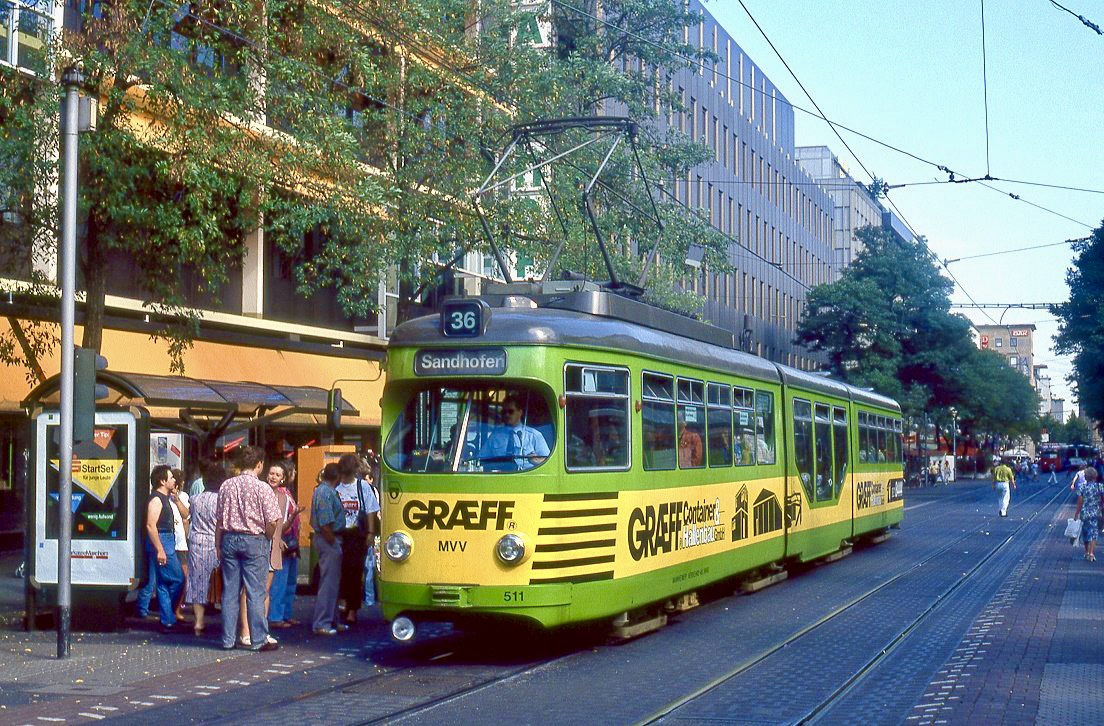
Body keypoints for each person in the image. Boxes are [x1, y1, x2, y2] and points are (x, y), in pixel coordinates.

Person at [216, 446, 281, 652]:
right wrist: (268, 537)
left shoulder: (226, 485)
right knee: (255, 591)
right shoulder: (262, 488)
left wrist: (218, 545)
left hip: (229, 539)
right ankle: (258, 639)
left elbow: (219, 519)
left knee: (230, 591)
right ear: (259, 464)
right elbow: (273, 520)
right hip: (254, 539)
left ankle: (227, 640)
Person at [334, 453, 379, 625]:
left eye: (348, 474)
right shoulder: (336, 487)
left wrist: (370, 532)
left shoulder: (362, 487)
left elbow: (370, 510)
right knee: (340, 571)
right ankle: (343, 604)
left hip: (356, 534)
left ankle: (352, 609)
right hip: (340, 533)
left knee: (355, 572)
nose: (345, 478)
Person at [184, 462, 225, 636]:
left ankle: (199, 622)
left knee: (197, 581)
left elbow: (188, 515)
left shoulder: (195, 499)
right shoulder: (222, 500)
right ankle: (227, 621)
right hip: (216, 543)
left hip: (197, 543)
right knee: (220, 581)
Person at [143, 465, 185, 632]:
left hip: (167, 539)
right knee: (178, 579)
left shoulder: (166, 498)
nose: (174, 480)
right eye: (171, 478)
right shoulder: (156, 499)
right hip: (162, 540)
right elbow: (151, 525)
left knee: (163, 583)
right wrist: (160, 549)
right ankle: (168, 616)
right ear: (162, 481)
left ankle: (167, 620)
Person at [311, 462, 345, 635]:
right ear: (337, 477)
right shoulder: (324, 492)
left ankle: (332, 619)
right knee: (328, 583)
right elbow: (325, 524)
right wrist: (333, 542)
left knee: (333, 583)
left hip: (331, 538)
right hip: (329, 539)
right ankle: (321, 623)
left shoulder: (325, 491)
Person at [269, 461, 304, 629]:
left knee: (290, 581)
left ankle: (285, 613)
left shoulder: (287, 493)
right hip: (282, 541)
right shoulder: (278, 494)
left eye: (277, 475)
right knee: (279, 582)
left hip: (291, 541)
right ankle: (276, 615)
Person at [479, 395, 550, 471]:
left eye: (510, 411)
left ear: (520, 412)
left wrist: (537, 461)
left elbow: (549, 463)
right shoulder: (495, 436)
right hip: (500, 478)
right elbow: (481, 460)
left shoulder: (534, 435)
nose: (507, 415)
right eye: (504, 412)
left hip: (526, 479)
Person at [168, 467, 191, 622]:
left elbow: (186, 515)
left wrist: (176, 499)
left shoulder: (183, 496)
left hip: (181, 543)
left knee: (183, 577)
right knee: (171, 579)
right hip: (169, 542)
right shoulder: (162, 496)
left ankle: (176, 609)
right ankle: (170, 611)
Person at [1074, 467, 1103, 562]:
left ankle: (1086, 552)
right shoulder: (1099, 486)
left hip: (1084, 513)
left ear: (1086, 477)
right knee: (1093, 532)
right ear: (1095, 476)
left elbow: (1079, 501)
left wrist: (1076, 513)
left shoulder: (1082, 487)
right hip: (1095, 513)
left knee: (1085, 532)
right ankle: (1091, 553)